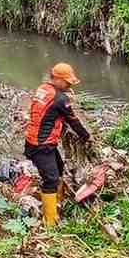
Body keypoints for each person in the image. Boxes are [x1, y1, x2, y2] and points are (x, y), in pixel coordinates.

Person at [25, 63, 91, 226]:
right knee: (51, 179)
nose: (69, 85)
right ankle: (50, 221)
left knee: (59, 168)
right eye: (67, 82)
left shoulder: (43, 89)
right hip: (41, 146)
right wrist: (86, 137)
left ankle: (58, 202)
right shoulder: (61, 98)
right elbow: (73, 120)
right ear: (57, 79)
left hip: (36, 142)